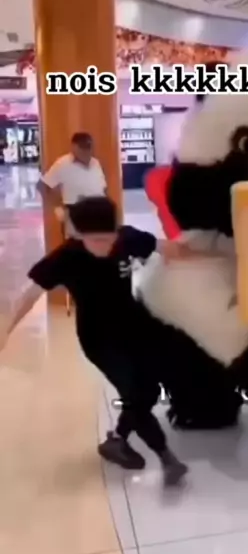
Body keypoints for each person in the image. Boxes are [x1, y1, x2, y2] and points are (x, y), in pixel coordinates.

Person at [0, 196, 214, 487]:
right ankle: (167, 459)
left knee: (149, 391)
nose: (105, 246)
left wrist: (217, 257)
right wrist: (7, 329)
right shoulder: (66, 257)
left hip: (136, 325)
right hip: (99, 339)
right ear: (79, 235)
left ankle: (117, 440)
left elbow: (169, 249)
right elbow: (31, 294)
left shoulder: (127, 238)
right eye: (96, 240)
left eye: (109, 238)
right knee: (134, 393)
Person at [37, 132, 107, 235]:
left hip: (98, 213)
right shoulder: (63, 164)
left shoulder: (96, 163)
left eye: (89, 148)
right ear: (74, 147)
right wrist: (57, 208)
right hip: (75, 213)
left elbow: (103, 188)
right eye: (83, 148)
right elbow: (42, 185)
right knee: (76, 244)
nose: (87, 152)